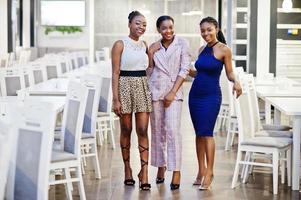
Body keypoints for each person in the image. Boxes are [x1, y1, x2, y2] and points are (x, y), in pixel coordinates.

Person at [188, 16, 242, 190]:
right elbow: (199, 73)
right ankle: (201, 170)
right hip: (195, 95)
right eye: (203, 30)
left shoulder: (224, 50)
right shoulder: (201, 49)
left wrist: (237, 81)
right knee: (198, 134)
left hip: (211, 97)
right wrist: (188, 71)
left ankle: (210, 172)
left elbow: (229, 73)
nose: (206, 33)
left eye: (209, 30)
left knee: (207, 133)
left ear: (216, 29)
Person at [147, 15, 191, 190]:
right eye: (164, 28)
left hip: (174, 93)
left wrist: (173, 92)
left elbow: (185, 68)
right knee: (157, 131)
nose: (168, 31)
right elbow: (149, 71)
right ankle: (160, 166)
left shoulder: (182, 44)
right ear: (158, 29)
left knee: (173, 131)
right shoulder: (154, 46)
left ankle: (176, 170)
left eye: (171, 27)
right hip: (156, 91)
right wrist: (150, 53)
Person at [111, 10, 152, 191]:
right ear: (129, 24)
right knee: (126, 129)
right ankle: (127, 169)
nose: (141, 27)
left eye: (144, 24)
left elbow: (150, 68)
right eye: (137, 23)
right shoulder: (120, 44)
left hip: (142, 85)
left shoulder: (145, 45)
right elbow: (115, 73)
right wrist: (115, 99)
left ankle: (144, 173)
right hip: (124, 86)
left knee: (143, 129)